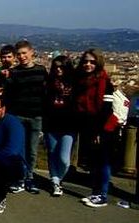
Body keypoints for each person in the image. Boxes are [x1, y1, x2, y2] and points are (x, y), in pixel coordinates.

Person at [74, 49, 115, 207]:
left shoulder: (105, 82)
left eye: (92, 61)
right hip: (88, 126)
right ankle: (96, 193)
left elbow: (106, 109)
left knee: (103, 161)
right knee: (95, 161)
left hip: (103, 128)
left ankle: (102, 195)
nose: (88, 64)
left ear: (98, 63)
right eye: (85, 61)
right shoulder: (84, 81)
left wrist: (100, 131)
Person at [6, 40, 47, 194]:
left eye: (24, 53)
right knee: (20, 149)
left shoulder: (42, 71)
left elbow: (46, 93)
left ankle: (29, 177)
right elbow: (9, 94)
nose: (22, 56)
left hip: (36, 116)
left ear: (31, 53)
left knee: (32, 150)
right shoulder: (14, 72)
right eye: (19, 54)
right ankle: (21, 178)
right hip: (19, 116)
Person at [44, 55, 76, 197]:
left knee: (64, 159)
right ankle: (55, 181)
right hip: (51, 124)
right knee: (52, 153)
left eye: (61, 66)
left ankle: (59, 178)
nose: (58, 69)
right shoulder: (49, 82)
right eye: (56, 66)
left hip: (69, 125)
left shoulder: (75, 83)